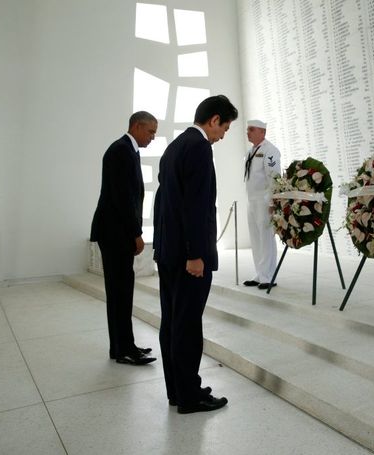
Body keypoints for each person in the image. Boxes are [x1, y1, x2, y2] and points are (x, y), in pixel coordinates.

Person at [153, 95, 238, 414]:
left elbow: (164, 203)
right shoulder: (200, 148)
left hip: (167, 253)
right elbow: (195, 207)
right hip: (187, 257)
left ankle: (177, 389)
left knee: (172, 322)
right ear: (214, 120)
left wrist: (163, 248)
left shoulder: (175, 146)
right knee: (188, 325)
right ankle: (190, 396)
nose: (223, 135)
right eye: (225, 128)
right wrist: (195, 254)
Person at [90, 111, 157, 365]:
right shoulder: (120, 151)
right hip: (116, 233)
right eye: (150, 132)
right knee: (120, 291)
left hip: (117, 232)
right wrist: (136, 234)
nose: (152, 138)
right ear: (137, 126)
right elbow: (122, 198)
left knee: (122, 291)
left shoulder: (128, 150)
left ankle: (122, 347)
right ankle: (123, 348)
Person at [242, 119, 281, 290]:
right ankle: (259, 273)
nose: (248, 132)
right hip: (252, 200)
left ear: (262, 132)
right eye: (247, 129)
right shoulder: (251, 151)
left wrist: (273, 201)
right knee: (256, 238)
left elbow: (274, 177)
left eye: (251, 129)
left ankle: (269, 275)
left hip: (264, 200)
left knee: (266, 238)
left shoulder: (270, 151)